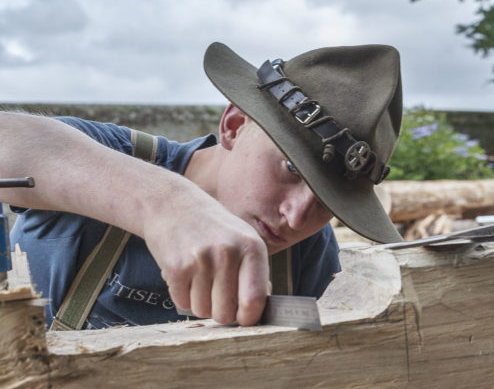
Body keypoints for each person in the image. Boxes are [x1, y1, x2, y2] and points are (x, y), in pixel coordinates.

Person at [0, 42, 404, 330]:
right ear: (233, 126)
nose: (297, 217)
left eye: (328, 202)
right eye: (291, 168)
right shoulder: (111, 154)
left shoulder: (307, 254)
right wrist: (166, 204)